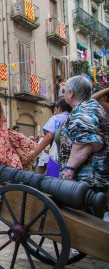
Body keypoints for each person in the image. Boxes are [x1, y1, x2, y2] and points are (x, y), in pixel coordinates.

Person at [59, 76, 109, 218]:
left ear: (71, 93)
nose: (63, 93)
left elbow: (85, 144)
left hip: (87, 178)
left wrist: (69, 170)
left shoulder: (83, 111)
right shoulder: (91, 106)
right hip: (95, 177)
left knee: (87, 220)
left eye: (64, 90)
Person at [26, 98, 72, 177]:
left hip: (56, 156)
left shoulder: (56, 118)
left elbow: (49, 136)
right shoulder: (74, 117)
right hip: (71, 157)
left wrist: (34, 153)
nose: (54, 113)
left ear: (59, 108)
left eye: (55, 110)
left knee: (53, 183)